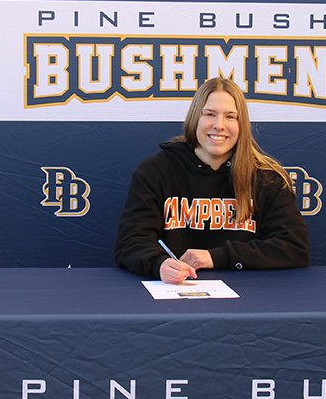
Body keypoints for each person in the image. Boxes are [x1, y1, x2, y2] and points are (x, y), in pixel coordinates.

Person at [114, 77, 310, 283]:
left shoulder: (266, 177)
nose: (219, 125)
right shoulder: (155, 171)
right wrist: (158, 264)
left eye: (230, 117)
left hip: (250, 298)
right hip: (174, 293)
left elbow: (294, 247)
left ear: (241, 123)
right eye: (209, 114)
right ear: (194, 118)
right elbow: (130, 243)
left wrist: (217, 257)